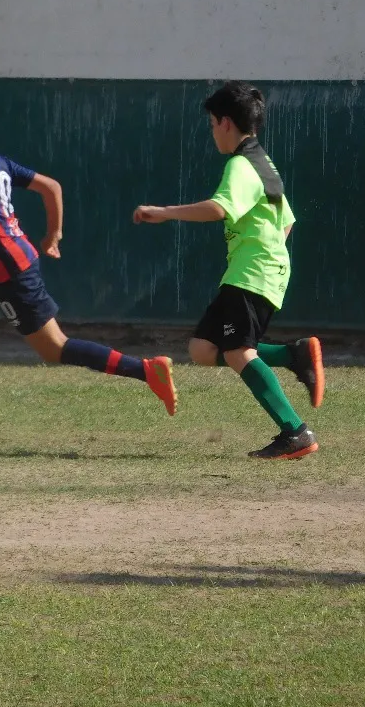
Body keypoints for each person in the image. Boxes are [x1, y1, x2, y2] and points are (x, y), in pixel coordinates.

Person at [0, 88, 178, 436]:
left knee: (55, 349)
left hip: (10, 271)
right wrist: (53, 235)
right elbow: (51, 187)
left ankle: (147, 370)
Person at [133, 80, 324, 460]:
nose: (211, 133)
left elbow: (220, 208)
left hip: (250, 273)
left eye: (211, 124)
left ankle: (295, 432)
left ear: (224, 122)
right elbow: (287, 221)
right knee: (203, 349)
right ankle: (293, 356)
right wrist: (269, 253)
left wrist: (164, 213)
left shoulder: (240, 164)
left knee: (238, 352)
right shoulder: (263, 162)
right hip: (256, 270)